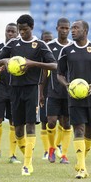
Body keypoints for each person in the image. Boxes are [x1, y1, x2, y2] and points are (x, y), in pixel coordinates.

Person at [0, 14, 57, 176]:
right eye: (20, 29)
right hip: (14, 89)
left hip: (31, 89)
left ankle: (27, 164)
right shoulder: (13, 44)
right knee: (18, 130)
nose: (21, 32)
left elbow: (54, 65)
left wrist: (32, 64)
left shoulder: (40, 45)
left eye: (25, 29)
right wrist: (6, 61)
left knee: (30, 125)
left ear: (32, 28)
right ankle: (27, 156)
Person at [57, 20, 91, 179]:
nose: (72, 31)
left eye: (76, 28)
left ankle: (81, 161)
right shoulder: (66, 51)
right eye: (72, 28)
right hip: (74, 98)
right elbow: (60, 74)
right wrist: (67, 86)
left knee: (90, 131)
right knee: (78, 129)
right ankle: (82, 168)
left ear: (85, 30)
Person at [0, 23, 21, 164]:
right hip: (0, 90)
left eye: (13, 31)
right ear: (5, 32)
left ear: (17, 33)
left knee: (14, 122)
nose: (10, 34)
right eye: (8, 31)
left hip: (15, 90)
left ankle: (12, 155)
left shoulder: (21, 50)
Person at [41, 18, 72, 164]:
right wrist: (41, 92)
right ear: (57, 28)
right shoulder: (50, 46)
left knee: (66, 123)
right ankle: (52, 147)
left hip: (70, 91)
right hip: (53, 91)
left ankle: (64, 154)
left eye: (67, 28)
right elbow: (44, 71)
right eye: (62, 28)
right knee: (51, 122)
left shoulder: (74, 46)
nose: (64, 31)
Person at [38, 30, 54, 160]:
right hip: (45, 92)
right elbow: (41, 76)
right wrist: (40, 93)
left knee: (58, 121)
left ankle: (56, 146)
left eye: (50, 40)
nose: (48, 43)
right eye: (45, 40)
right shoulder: (40, 55)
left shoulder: (55, 54)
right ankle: (45, 150)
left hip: (56, 92)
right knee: (44, 121)